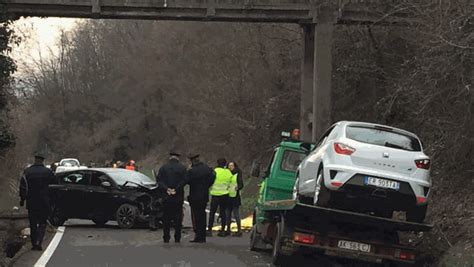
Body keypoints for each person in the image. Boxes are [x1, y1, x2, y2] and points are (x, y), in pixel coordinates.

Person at [19, 152, 55, 251]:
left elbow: (23, 187)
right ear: (43, 160)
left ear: (35, 160)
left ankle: (34, 243)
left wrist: (22, 199)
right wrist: (52, 201)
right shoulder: (48, 172)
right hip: (44, 201)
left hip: (31, 201)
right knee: (42, 222)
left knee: (33, 223)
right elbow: (53, 187)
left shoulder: (27, 172)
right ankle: (39, 241)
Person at [155, 152, 187, 243]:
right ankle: (177, 237)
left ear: (170, 158)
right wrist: (176, 189)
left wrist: (167, 189)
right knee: (178, 218)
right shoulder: (182, 168)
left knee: (166, 218)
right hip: (178, 196)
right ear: (178, 158)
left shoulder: (163, 168)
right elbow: (185, 180)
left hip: (166, 197)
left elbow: (159, 180)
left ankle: (166, 237)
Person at [186, 154, 215, 243]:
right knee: (202, 215)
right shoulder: (206, 169)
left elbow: (187, 180)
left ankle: (198, 236)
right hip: (204, 195)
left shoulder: (192, 171)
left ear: (192, 161)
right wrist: (207, 185)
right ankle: (203, 236)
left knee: (196, 216)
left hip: (194, 195)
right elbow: (213, 176)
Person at [207, 158, 233, 237]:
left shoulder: (215, 171)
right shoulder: (228, 172)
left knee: (212, 213)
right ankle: (222, 230)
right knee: (223, 213)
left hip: (215, 194)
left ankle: (210, 230)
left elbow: (210, 181)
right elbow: (231, 183)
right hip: (225, 194)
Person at [227, 161, 244, 237]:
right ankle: (228, 230)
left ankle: (239, 230)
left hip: (235, 196)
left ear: (235, 166)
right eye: (229, 166)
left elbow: (241, 184)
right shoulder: (226, 174)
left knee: (236, 214)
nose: (230, 167)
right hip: (227, 196)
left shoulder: (237, 174)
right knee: (227, 214)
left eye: (232, 166)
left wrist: (237, 188)